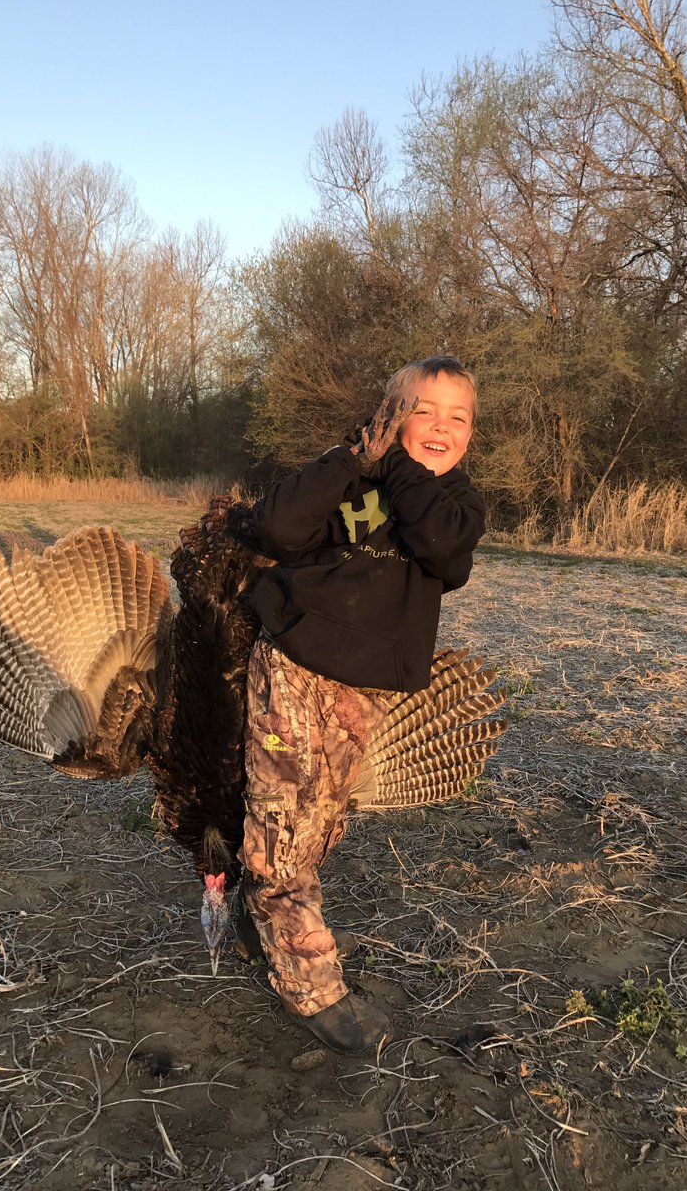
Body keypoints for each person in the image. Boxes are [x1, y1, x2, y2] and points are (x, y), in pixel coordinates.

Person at [234, 355, 485, 1053]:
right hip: (291, 667)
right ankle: (315, 991)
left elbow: (444, 550)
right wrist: (352, 458)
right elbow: (276, 530)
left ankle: (258, 916)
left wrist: (397, 467)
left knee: (320, 827)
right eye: (421, 411)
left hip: (362, 693)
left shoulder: (458, 501)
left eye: (456, 417)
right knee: (284, 831)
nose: (440, 427)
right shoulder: (344, 469)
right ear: (388, 414)